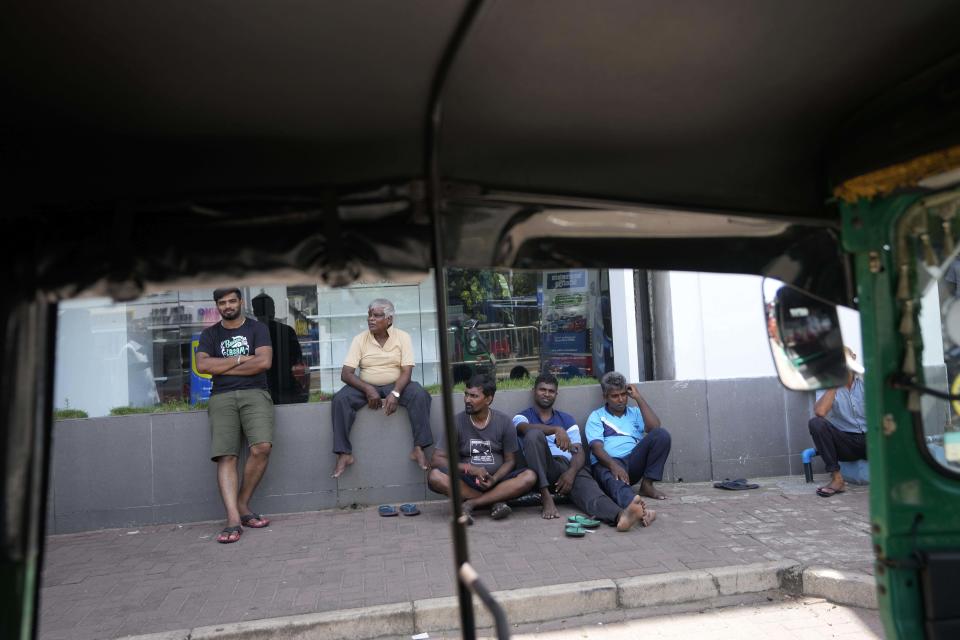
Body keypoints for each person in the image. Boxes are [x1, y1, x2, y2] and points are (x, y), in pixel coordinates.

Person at [514, 373, 653, 530]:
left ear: (556, 394)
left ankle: (621, 516)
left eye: (551, 391)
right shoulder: (523, 416)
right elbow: (524, 429)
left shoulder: (566, 419)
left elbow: (579, 452)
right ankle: (546, 496)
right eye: (542, 390)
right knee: (533, 435)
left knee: (592, 493)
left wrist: (571, 473)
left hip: (566, 467)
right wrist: (555, 429)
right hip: (541, 469)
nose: (546, 394)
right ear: (534, 391)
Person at [196, 287, 274, 544]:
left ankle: (242, 503)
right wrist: (242, 359)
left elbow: (263, 363)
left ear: (241, 302)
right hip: (221, 398)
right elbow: (203, 366)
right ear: (217, 306)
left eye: (232, 301)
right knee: (226, 456)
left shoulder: (257, 328)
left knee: (262, 447)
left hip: (255, 393)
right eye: (222, 302)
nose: (227, 306)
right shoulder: (210, 334)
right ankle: (233, 519)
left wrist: (224, 366)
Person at [331, 299, 433, 478]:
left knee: (420, 394)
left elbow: (406, 372)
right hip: (365, 385)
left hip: (396, 383)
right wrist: (368, 389)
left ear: (389, 319)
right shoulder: (359, 339)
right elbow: (346, 374)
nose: (371, 319)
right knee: (340, 399)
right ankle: (344, 454)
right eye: (369, 315)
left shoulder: (403, 337)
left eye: (377, 315)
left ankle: (418, 448)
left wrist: (395, 392)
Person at [428, 374, 537, 524]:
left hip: (499, 481)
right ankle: (494, 501)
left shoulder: (504, 421)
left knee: (529, 476)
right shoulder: (456, 422)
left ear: (488, 399)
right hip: (468, 482)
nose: (467, 400)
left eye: (473, 396)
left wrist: (495, 479)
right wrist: (470, 468)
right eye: (466, 394)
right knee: (434, 476)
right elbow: (436, 460)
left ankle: (471, 504)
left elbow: (510, 461)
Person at [586, 372, 672, 511]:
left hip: (632, 463)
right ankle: (634, 507)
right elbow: (596, 449)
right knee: (616, 484)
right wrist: (613, 465)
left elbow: (654, 428)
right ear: (605, 397)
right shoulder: (597, 416)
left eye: (623, 394)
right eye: (615, 396)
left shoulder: (635, 412)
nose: (620, 399)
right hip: (607, 464)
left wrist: (638, 397)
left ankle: (647, 485)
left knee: (662, 435)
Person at [808, 346, 867, 497]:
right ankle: (837, 479)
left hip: (872, 439)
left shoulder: (868, 378)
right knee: (816, 423)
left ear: (853, 358)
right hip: (846, 442)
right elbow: (820, 412)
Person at [252, 292, 309, 404]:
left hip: (260, 388)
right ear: (273, 310)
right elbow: (297, 358)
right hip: (285, 386)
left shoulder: (250, 333)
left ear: (255, 312)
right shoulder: (286, 331)